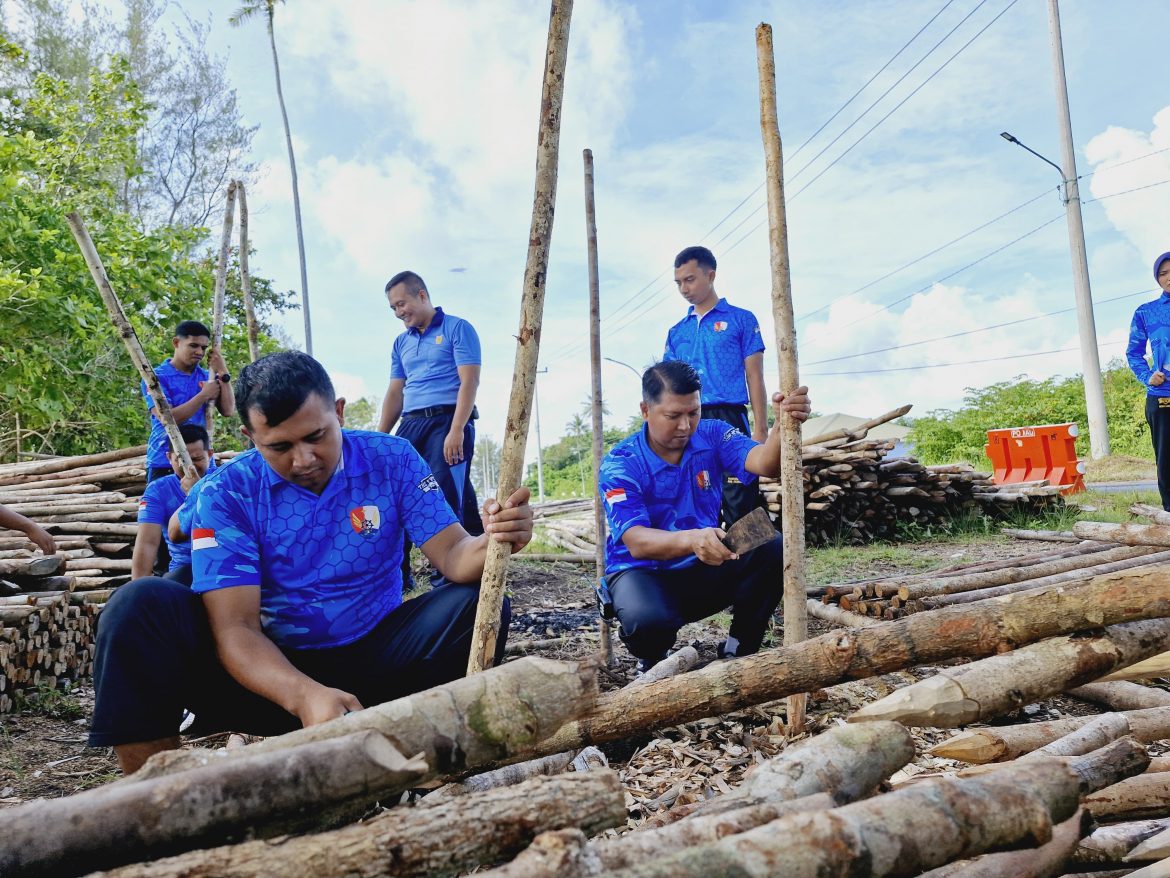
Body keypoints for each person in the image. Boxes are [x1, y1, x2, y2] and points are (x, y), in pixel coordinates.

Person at [89, 351, 532, 774]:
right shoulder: (228, 492)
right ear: (249, 437)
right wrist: (305, 697)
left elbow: (455, 556)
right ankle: (157, 803)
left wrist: (498, 538)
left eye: (316, 436)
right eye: (279, 446)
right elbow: (236, 628)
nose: (303, 460)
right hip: (269, 677)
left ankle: (431, 757)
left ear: (338, 413)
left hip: (379, 659)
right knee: (136, 608)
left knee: (476, 605)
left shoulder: (391, 459)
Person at [598, 360, 810, 673]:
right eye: (673, 416)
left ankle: (740, 649)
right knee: (647, 621)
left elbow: (764, 463)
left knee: (769, 541)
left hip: (700, 565)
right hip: (642, 571)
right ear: (645, 410)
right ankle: (652, 658)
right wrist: (694, 539)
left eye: (693, 413)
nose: (685, 426)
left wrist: (782, 424)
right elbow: (637, 542)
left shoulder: (712, 435)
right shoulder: (621, 463)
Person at [377, 271, 484, 587]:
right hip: (411, 422)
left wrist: (457, 430)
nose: (399, 313)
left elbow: (470, 381)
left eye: (402, 304)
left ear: (421, 295)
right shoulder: (401, 343)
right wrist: (381, 438)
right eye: (393, 308)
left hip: (448, 421)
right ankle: (400, 576)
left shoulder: (457, 329)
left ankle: (448, 578)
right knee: (395, 491)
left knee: (443, 493)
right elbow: (396, 392)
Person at [664, 246, 767, 527]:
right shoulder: (676, 332)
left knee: (740, 497)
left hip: (730, 417)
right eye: (679, 282)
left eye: (690, 279)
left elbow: (755, 376)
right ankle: (703, 568)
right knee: (694, 498)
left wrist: (760, 429)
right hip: (690, 422)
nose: (684, 288)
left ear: (711, 275)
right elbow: (668, 389)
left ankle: (751, 566)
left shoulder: (741, 320)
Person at [142, 320, 235, 483]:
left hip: (201, 460)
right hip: (165, 460)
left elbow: (228, 410)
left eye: (204, 348)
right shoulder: (156, 378)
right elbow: (168, 419)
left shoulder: (208, 377)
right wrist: (203, 395)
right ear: (176, 343)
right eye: (193, 345)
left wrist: (223, 371)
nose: (199, 352)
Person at [129, 423, 213, 586]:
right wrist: (138, 590)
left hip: (223, 566)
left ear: (210, 454)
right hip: (182, 570)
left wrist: (194, 493)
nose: (190, 467)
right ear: (169, 457)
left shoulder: (224, 482)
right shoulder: (158, 490)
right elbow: (147, 542)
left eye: (197, 459)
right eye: (181, 460)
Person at [1128, 251, 1170, 511]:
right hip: (1163, 395)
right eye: (1163, 274)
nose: (1169, 278)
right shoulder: (1146, 312)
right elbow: (1133, 353)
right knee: (1167, 459)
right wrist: (1148, 376)